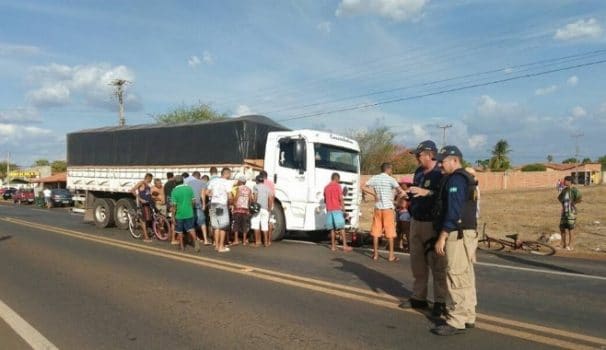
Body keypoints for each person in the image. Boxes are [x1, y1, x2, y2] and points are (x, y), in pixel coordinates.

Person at [431, 145, 479, 336]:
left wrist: (442, 236)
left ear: (454, 160)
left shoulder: (457, 179)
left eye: (442, 161)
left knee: (456, 275)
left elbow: (454, 211)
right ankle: (468, 316)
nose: (440, 165)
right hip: (466, 233)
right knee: (466, 276)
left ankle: (457, 319)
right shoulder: (465, 178)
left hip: (457, 234)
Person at [400, 140, 448, 317]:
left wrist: (428, 192)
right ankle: (418, 297)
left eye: (418, 155)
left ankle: (440, 301)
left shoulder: (440, 172)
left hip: (432, 224)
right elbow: (416, 191)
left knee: (437, 264)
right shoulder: (419, 172)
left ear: (429, 155)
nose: (417, 159)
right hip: (416, 221)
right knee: (417, 264)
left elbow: (445, 197)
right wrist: (409, 194)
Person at [362, 162, 405, 262]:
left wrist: (374, 194)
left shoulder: (375, 178)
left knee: (376, 233)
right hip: (388, 208)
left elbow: (363, 186)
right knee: (390, 233)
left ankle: (375, 254)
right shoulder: (391, 179)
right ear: (388, 169)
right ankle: (391, 256)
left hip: (378, 208)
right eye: (391, 169)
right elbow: (401, 192)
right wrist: (396, 201)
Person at [170, 175, 200, 252]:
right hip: (189, 212)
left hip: (179, 214)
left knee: (179, 231)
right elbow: (193, 201)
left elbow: (174, 205)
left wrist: (173, 216)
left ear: (175, 182)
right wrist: (190, 208)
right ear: (183, 181)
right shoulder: (189, 188)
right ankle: (195, 241)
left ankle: (182, 246)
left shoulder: (174, 191)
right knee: (191, 228)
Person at [324, 173, 352, 252]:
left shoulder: (326, 187)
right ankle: (344, 246)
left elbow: (325, 200)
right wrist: (344, 210)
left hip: (329, 210)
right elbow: (341, 199)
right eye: (339, 180)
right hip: (337, 210)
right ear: (337, 179)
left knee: (332, 229)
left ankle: (333, 246)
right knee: (342, 228)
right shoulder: (338, 186)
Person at [206, 167, 232, 253]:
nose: (230, 175)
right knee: (223, 227)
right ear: (226, 174)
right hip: (222, 205)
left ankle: (216, 245)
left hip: (213, 204)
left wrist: (213, 195)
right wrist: (231, 203)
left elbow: (207, 192)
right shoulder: (227, 182)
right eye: (229, 174)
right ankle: (221, 247)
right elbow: (229, 196)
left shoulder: (213, 181)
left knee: (216, 226)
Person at [186, 171, 211, 246]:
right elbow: (202, 194)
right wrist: (203, 204)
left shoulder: (188, 183)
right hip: (198, 204)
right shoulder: (202, 183)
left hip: (190, 204)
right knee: (202, 222)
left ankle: (192, 239)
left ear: (193, 176)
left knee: (191, 222)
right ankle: (205, 240)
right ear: (199, 177)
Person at [558, 175, 582, 251]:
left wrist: (573, 204)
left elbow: (579, 199)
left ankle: (570, 245)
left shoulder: (575, 190)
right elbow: (560, 198)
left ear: (569, 181)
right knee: (562, 227)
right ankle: (563, 244)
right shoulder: (564, 190)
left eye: (565, 181)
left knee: (570, 228)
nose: (564, 182)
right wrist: (563, 207)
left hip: (571, 212)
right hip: (564, 211)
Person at [251, 174, 274, 247]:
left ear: (257, 180)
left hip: (258, 208)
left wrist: (253, 206)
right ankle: (266, 242)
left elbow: (255, 197)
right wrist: (269, 208)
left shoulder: (256, 187)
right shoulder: (268, 188)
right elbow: (270, 199)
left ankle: (257, 242)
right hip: (265, 209)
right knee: (264, 226)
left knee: (256, 224)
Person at [131, 173, 154, 242]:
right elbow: (132, 190)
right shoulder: (141, 183)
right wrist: (140, 199)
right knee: (143, 219)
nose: (151, 180)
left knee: (148, 219)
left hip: (147, 203)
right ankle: (146, 237)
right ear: (148, 178)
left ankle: (146, 233)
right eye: (151, 179)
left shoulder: (148, 185)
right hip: (142, 204)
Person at [232, 176, 252, 245]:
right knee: (245, 225)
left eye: (238, 181)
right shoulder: (249, 189)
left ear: (240, 182)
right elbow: (250, 200)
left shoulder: (239, 188)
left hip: (238, 208)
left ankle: (236, 240)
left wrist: (234, 204)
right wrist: (248, 208)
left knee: (236, 224)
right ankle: (244, 241)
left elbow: (237, 197)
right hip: (245, 209)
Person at [395, 178, 411, 252]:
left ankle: (409, 247)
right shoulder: (400, 193)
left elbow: (403, 204)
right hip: (399, 213)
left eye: (402, 184)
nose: (400, 185)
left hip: (405, 213)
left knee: (406, 231)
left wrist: (397, 203)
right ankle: (399, 245)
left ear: (406, 185)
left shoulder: (408, 193)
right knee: (399, 230)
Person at [164, 172, 178, 245]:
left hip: (169, 204)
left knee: (172, 221)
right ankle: (173, 238)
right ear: (173, 176)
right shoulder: (175, 183)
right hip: (175, 204)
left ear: (167, 177)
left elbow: (165, 195)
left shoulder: (166, 185)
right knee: (175, 222)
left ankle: (172, 237)